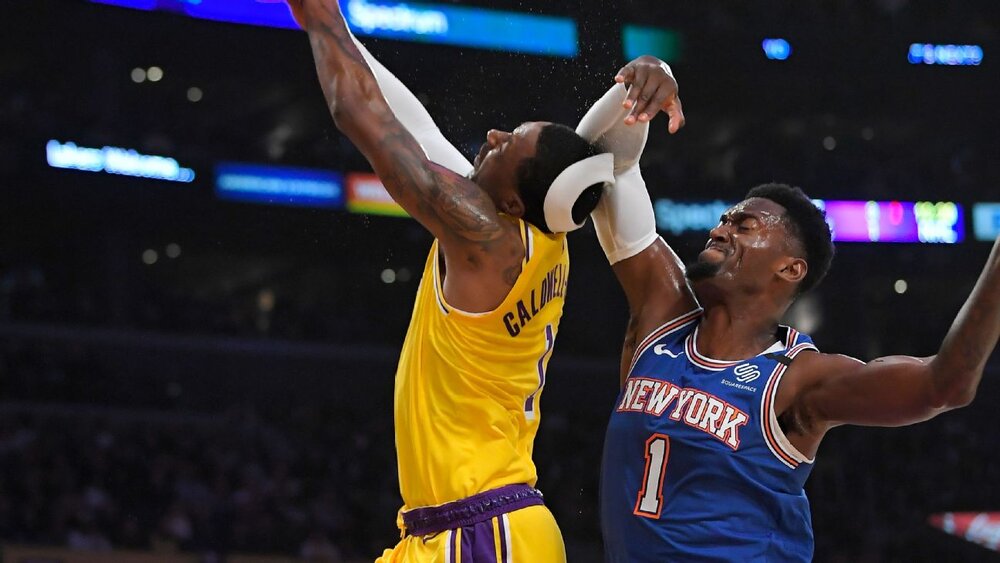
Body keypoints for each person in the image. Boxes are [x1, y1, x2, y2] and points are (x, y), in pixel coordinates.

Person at [283, 1, 684, 560]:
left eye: (505, 143)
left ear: (513, 200)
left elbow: (358, 112)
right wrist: (326, 24)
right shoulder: (540, 236)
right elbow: (415, 124)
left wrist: (323, 16)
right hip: (480, 526)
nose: (491, 135)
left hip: (478, 530)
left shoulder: (483, 238)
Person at [592, 104, 1000, 559]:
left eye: (744, 225)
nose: (719, 230)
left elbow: (944, 386)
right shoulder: (661, 322)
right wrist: (643, 85)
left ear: (790, 268)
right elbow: (613, 165)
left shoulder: (796, 378)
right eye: (725, 220)